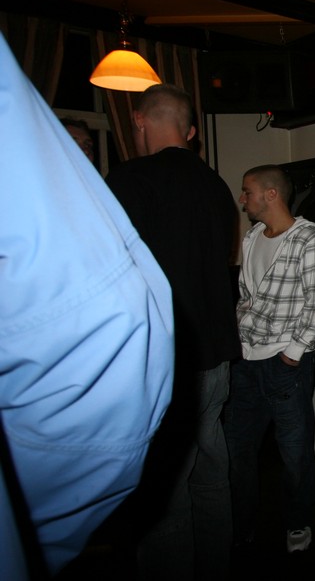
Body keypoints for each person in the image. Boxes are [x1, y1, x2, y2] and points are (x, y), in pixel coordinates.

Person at [0, 34, 174, 579]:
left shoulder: (115, 198)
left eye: (85, 146)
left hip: (136, 380)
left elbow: (108, 321)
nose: (79, 153)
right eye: (70, 144)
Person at [105, 84, 241, 580]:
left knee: (163, 490)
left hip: (160, 358)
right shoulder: (218, 187)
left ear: (139, 121)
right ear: (190, 131)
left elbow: (113, 274)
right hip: (215, 351)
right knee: (210, 472)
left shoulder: (129, 179)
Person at [225, 164, 315, 555]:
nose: (243, 199)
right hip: (245, 361)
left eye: (247, 191)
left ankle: (297, 521)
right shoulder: (252, 237)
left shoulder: (308, 239)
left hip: (285, 365)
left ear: (271, 194)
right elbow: (246, 298)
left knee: (294, 451)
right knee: (238, 450)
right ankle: (242, 525)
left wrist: (293, 352)